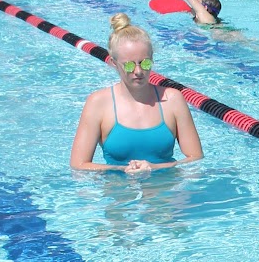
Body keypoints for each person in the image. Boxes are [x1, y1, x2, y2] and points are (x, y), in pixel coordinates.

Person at [70, 14, 204, 172]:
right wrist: (122, 170)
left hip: (166, 192)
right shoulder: (98, 103)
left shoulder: (172, 99)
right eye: (129, 66)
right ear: (114, 63)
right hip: (119, 193)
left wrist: (154, 168)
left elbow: (196, 159)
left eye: (145, 63)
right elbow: (78, 166)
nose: (138, 71)